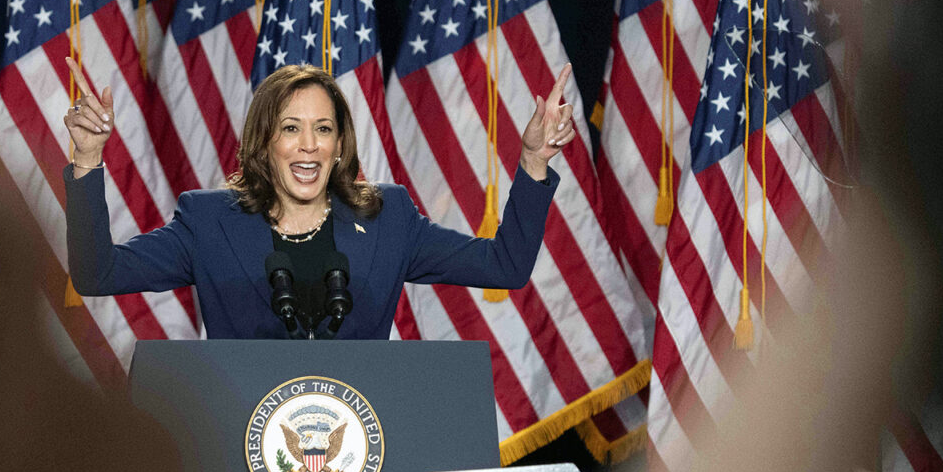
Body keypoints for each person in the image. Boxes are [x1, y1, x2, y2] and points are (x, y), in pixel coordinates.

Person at [60, 59, 579, 339]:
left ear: (338, 146)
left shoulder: (388, 218)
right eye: (291, 128)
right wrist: (87, 160)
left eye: (323, 129)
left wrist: (534, 163)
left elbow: (505, 266)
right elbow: (98, 274)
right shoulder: (209, 222)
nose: (309, 144)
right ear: (264, 141)